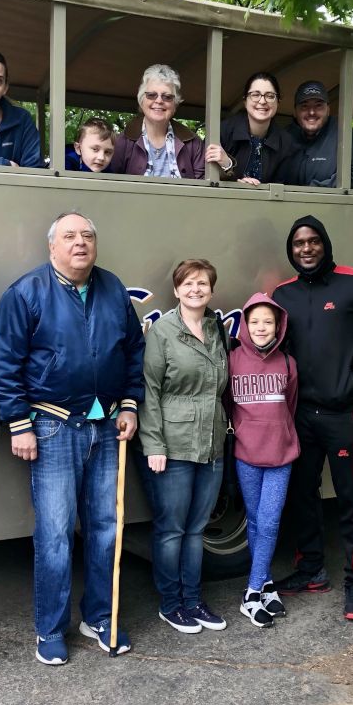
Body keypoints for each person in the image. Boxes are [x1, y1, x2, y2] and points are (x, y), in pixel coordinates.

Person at [0, 212, 145, 666]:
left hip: (107, 426)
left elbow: (133, 350)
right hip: (53, 428)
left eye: (88, 236)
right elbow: (5, 364)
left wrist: (131, 404)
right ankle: (50, 629)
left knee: (105, 529)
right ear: (52, 246)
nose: (81, 243)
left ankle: (99, 617)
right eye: (70, 236)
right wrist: (18, 423)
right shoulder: (27, 292)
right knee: (56, 535)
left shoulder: (113, 288)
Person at [272, 215, 353, 620]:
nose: (305, 249)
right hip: (302, 415)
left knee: (351, 497)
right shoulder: (282, 294)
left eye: (312, 242)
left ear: (325, 244)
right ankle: (311, 570)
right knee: (302, 494)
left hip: (347, 413)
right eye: (297, 244)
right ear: (290, 251)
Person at [137, 259, 228, 634]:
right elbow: (149, 390)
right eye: (188, 283)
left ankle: (193, 600)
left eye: (203, 283)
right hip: (171, 447)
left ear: (211, 290)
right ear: (176, 290)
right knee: (172, 529)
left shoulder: (215, 328)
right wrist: (154, 444)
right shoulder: (162, 331)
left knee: (196, 529)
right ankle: (171, 604)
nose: (196, 289)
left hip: (211, 444)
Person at [228, 293, 299, 628]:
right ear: (245, 324)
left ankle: (252, 593)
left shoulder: (287, 363)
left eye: (267, 322)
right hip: (247, 454)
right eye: (254, 321)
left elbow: (291, 405)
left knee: (269, 522)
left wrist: (279, 430)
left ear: (278, 327)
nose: (260, 327)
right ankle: (267, 583)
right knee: (255, 522)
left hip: (281, 453)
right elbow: (227, 403)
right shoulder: (231, 360)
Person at [111, 63, 208, 178]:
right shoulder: (123, 142)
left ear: (175, 104)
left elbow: (207, 182)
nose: (159, 101)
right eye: (151, 95)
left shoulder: (193, 143)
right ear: (142, 101)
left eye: (167, 97)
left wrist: (227, 165)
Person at [205, 72, 297, 185]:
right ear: (245, 100)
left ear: (278, 102)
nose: (262, 101)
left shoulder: (286, 142)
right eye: (255, 95)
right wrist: (228, 167)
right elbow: (203, 174)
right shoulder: (223, 131)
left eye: (270, 96)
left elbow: (284, 186)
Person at [287, 80, 353, 188]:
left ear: (328, 110)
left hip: (331, 204)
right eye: (304, 106)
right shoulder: (285, 137)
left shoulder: (342, 132)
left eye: (318, 106)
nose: (311, 112)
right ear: (295, 112)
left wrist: (312, 191)